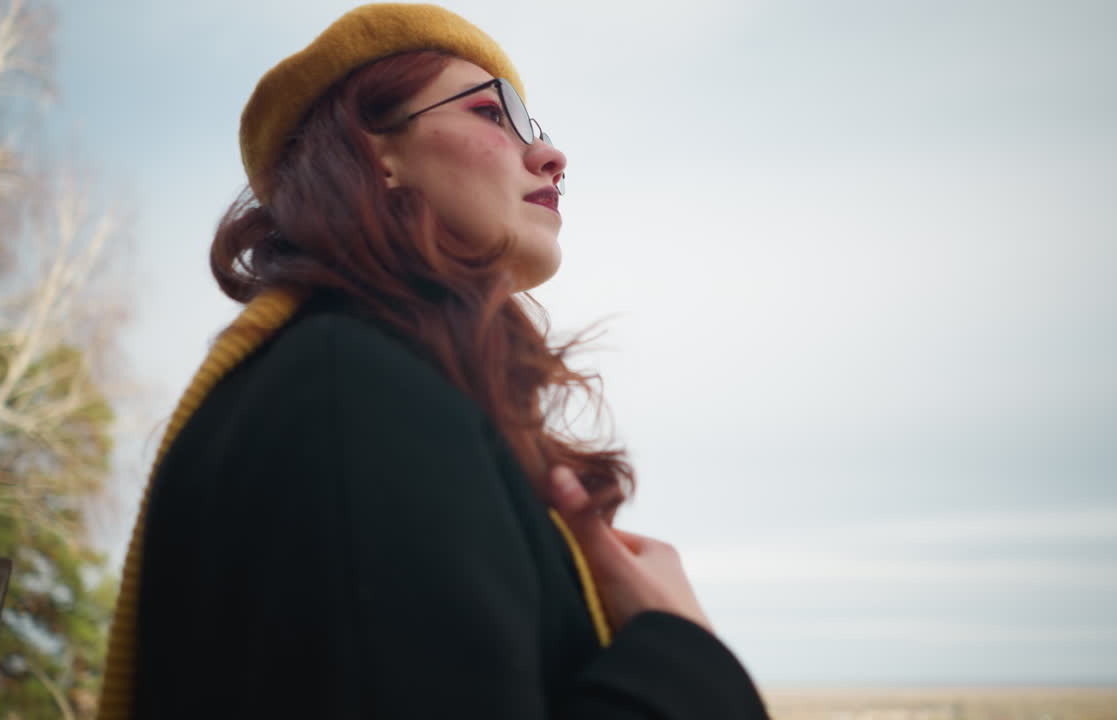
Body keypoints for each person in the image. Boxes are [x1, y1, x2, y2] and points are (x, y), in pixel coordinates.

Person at [98, 4, 770, 719]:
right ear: (373, 153)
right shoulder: (352, 394)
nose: (551, 156)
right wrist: (683, 653)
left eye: (533, 126)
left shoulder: (368, 386)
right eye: (491, 112)